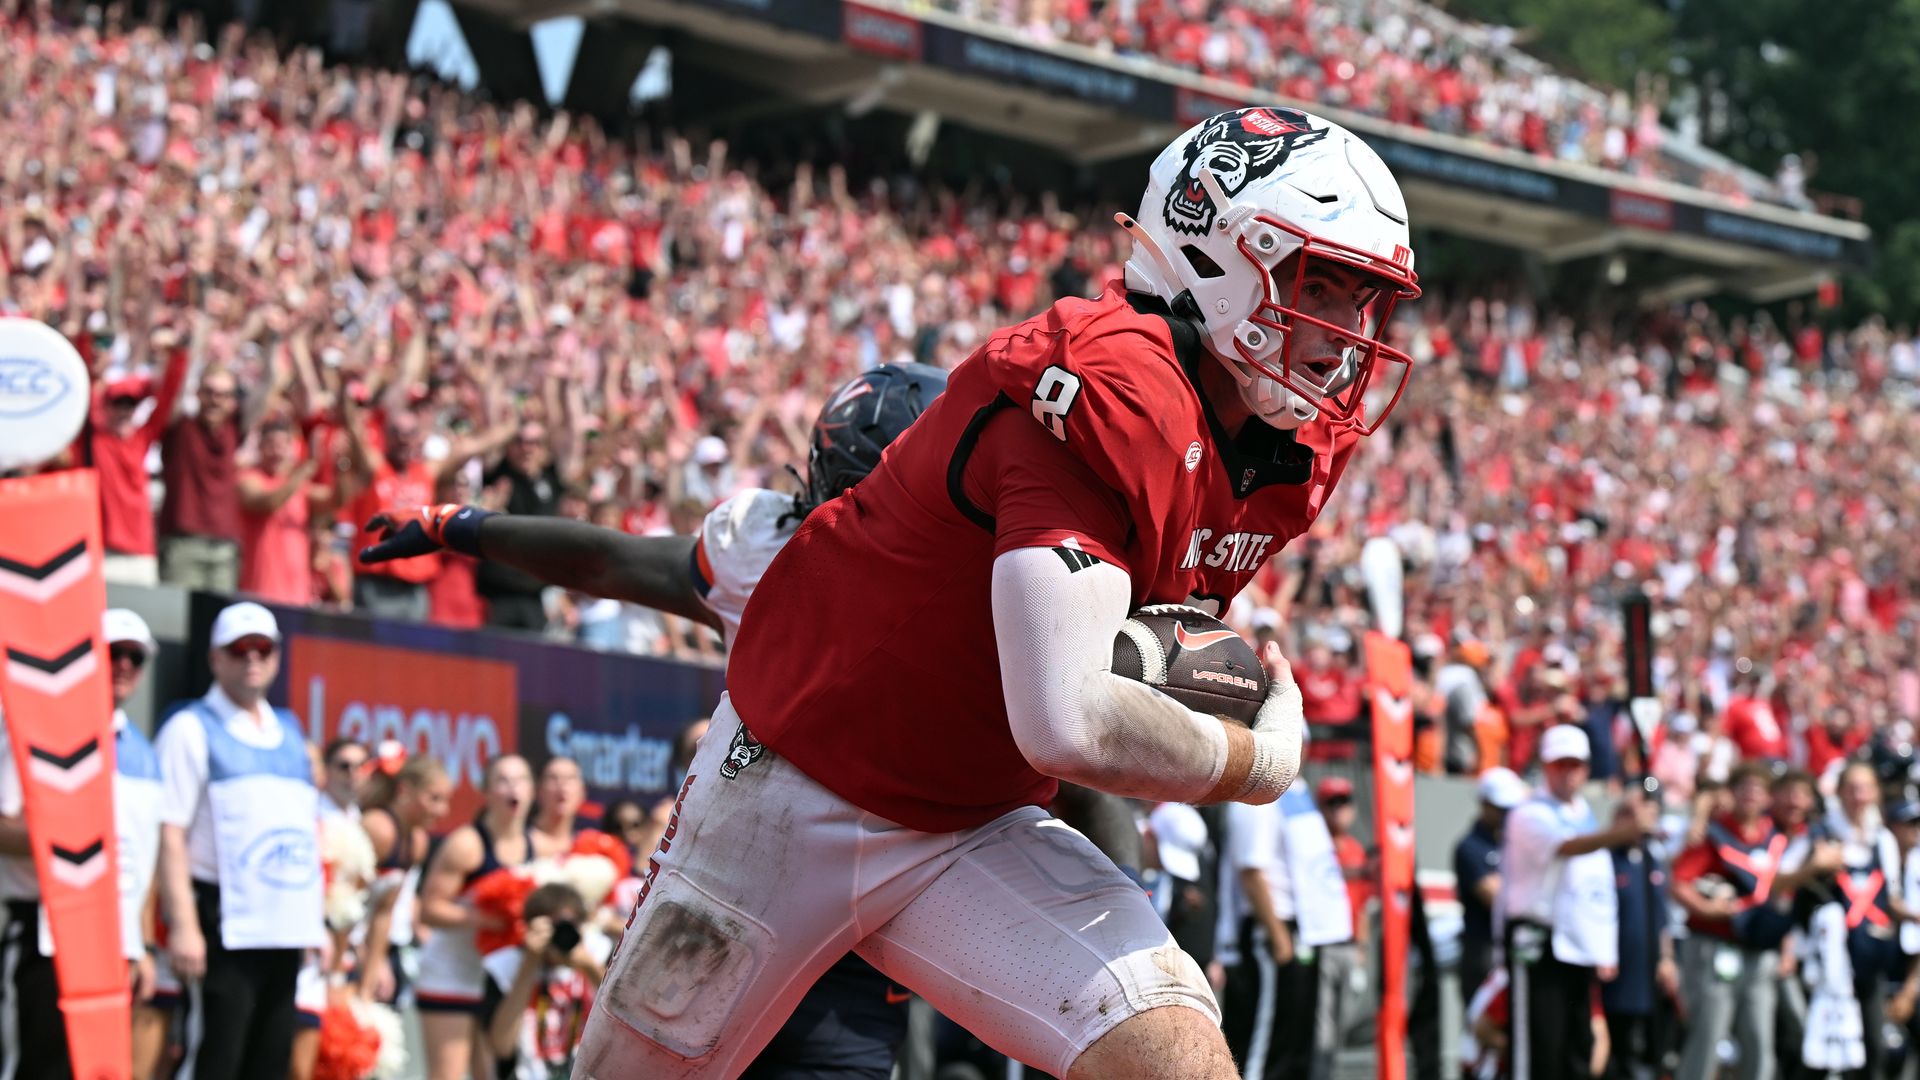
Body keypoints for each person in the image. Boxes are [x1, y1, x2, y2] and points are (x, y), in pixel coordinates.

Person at [376, 106, 1422, 1079]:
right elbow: (1069, 721)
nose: (1346, 331)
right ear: (1212, 255)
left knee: (1177, 1054)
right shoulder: (1104, 392)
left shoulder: (1272, 450)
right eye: (1321, 285)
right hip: (791, 796)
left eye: (1365, 298)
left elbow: (1121, 670)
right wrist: (1257, 756)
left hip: (973, 822)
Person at [364, 362, 952, 1080]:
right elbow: (607, 559)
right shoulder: (765, 550)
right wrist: (461, 523)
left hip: (854, 931)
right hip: (741, 904)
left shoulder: (990, 584)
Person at [153, 601, 325, 1080]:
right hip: (221, 922)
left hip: (283, 928)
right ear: (215, 658)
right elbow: (169, 831)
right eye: (239, 649)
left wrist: (312, 923)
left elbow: (304, 834)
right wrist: (184, 925)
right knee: (214, 1059)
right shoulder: (189, 728)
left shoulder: (289, 732)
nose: (252, 658)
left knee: (270, 1061)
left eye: (263, 648)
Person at [0, 609, 164, 1080]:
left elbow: (143, 864)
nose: (125, 666)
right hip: (44, 933)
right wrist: (64, 845)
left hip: (113, 942)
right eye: (115, 653)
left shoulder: (143, 753)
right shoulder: (35, 729)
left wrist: (142, 945)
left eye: (137, 657)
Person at [1501, 725, 1655, 1080]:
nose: (1568, 773)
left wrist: (1603, 950)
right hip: (1539, 945)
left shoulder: (1582, 812)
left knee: (1578, 1046)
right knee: (1541, 1047)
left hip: (1577, 948)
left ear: (1586, 768)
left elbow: (1593, 891)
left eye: (1575, 764)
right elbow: (1566, 848)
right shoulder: (1529, 814)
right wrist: (1626, 832)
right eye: (1560, 764)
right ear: (1545, 765)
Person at [413, 754, 540, 1080]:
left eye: (521, 779)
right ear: (487, 791)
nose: (513, 788)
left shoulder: (534, 845)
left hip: (495, 981)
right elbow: (429, 909)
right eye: (503, 780)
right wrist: (489, 920)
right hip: (449, 975)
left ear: (532, 789)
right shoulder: (467, 844)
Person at [1219, 782, 1354, 1080]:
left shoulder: (1297, 793)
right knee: (1264, 1044)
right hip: (1271, 930)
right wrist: (1277, 935)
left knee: (1296, 1041)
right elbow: (1251, 870)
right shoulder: (1255, 795)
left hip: (1302, 930)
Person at [1670, 760, 1786, 1080]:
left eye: (1758, 789)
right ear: (1732, 793)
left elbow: (1783, 900)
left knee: (1759, 1039)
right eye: (1744, 788)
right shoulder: (1715, 833)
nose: (1751, 795)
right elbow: (1678, 881)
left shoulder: (1775, 838)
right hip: (1715, 946)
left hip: (1760, 951)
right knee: (1709, 1035)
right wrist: (1706, 908)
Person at [482, 882, 609, 1079]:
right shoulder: (504, 966)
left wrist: (590, 967)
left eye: (569, 927)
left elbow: (626, 1012)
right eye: (554, 928)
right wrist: (529, 965)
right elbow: (502, 1047)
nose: (561, 935)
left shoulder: (598, 952)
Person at [358, 753, 454, 1006]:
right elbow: (345, 908)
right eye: (433, 799)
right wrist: (365, 960)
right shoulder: (377, 828)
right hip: (343, 948)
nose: (441, 810)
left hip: (378, 951)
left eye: (445, 800)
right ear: (404, 790)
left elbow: (384, 911)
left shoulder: (417, 842)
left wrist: (370, 979)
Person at [1456, 767, 1530, 1000]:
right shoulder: (1470, 848)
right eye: (1502, 809)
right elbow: (1500, 900)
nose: (1508, 815)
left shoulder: (1517, 843)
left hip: (1516, 948)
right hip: (1484, 951)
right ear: (1484, 804)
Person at [1316, 776, 1370, 1077]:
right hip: (1322, 946)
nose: (1339, 810)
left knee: (1342, 1024)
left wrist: (1362, 949)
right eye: (1332, 803)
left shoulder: (1356, 849)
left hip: (1349, 946)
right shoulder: (1314, 844)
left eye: (1344, 802)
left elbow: (1362, 904)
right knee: (1320, 1026)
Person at [319, 738, 369, 822]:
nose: (353, 774)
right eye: (344, 766)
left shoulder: (362, 814)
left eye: (361, 766)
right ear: (326, 769)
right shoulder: (311, 815)